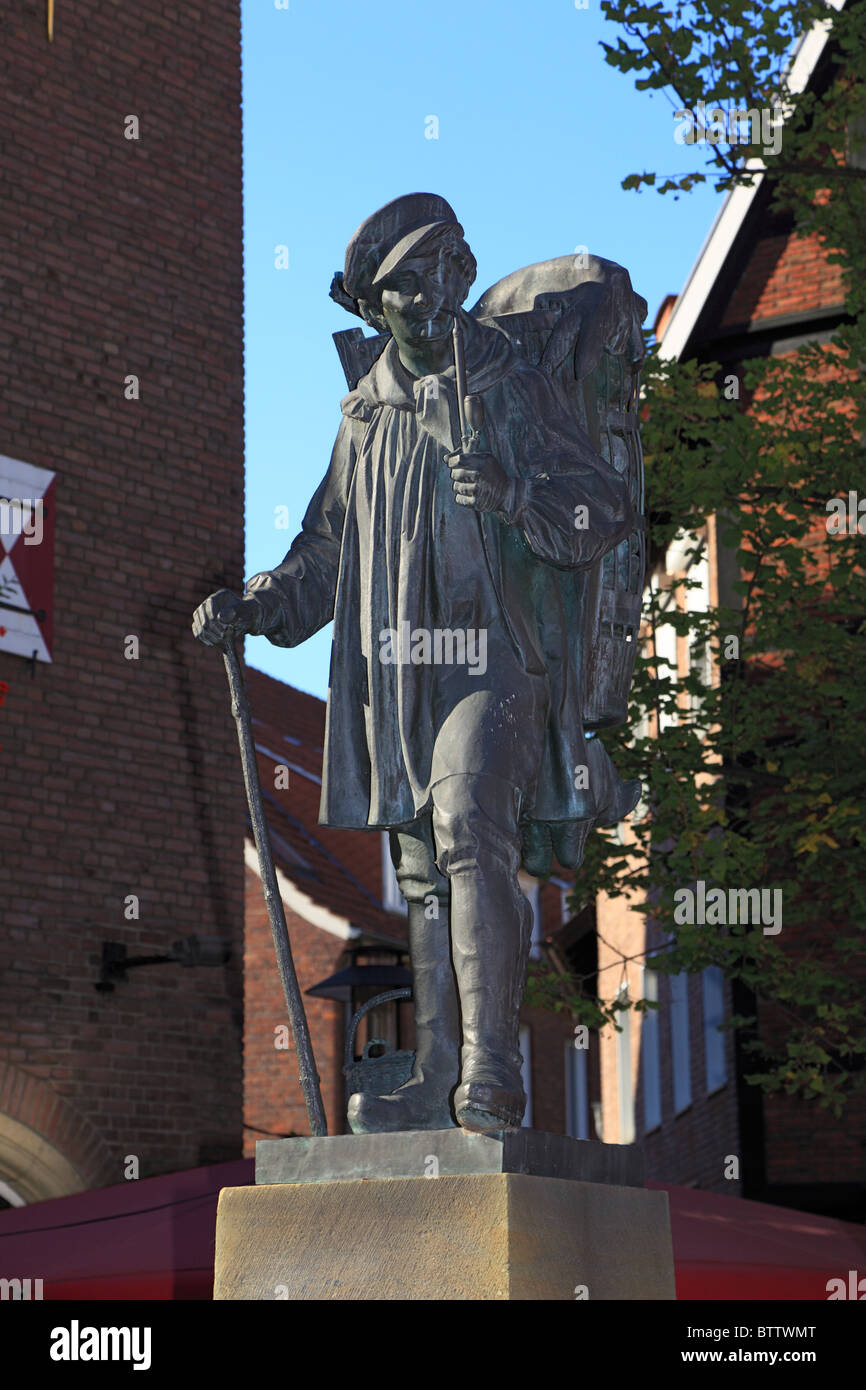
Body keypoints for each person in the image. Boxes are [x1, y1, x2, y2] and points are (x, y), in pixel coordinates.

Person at [192, 193, 638, 1134]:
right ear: (373, 305)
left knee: (471, 822)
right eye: (409, 283)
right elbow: (323, 552)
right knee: (426, 871)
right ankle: (438, 1067)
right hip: (396, 677)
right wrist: (260, 605)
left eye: (445, 268)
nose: (435, 293)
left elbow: (603, 509)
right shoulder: (364, 416)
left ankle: (491, 1070)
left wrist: (516, 492)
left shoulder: (512, 385)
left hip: (498, 658)